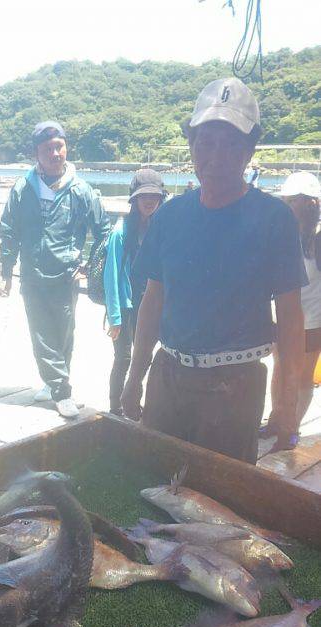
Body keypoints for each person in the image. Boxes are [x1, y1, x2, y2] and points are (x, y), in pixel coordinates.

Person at [121, 77, 306, 464]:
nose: (216, 157)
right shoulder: (169, 215)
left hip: (236, 386)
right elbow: (154, 301)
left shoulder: (275, 219)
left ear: (250, 149)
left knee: (222, 502)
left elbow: (290, 317)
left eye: (231, 144)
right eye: (205, 142)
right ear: (191, 144)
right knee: (148, 481)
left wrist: (287, 401)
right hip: (167, 375)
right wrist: (135, 374)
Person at [0, 121, 110, 419]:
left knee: (64, 335)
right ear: (37, 153)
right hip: (33, 276)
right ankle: (61, 390)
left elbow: (104, 231)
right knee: (42, 336)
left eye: (59, 146)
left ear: (66, 148)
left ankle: (53, 381)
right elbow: (9, 230)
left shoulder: (81, 190)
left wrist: (90, 265)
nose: (55, 153)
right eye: (48, 149)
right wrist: (6, 271)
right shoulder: (23, 189)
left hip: (65, 277)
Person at [261, 172, 321, 447]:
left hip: (312, 320)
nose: (286, 205)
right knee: (280, 367)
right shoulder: (281, 232)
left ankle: (292, 426)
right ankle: (276, 419)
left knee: (302, 374)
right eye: (285, 199)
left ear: (309, 203)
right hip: (282, 317)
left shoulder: (317, 240)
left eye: (292, 200)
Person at [104, 169, 166, 415]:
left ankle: (136, 405)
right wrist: (115, 317)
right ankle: (115, 408)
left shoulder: (163, 229)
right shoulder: (121, 232)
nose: (149, 201)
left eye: (154, 196)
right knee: (123, 359)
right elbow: (112, 275)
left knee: (147, 357)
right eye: (143, 196)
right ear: (134, 200)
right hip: (127, 306)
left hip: (151, 303)